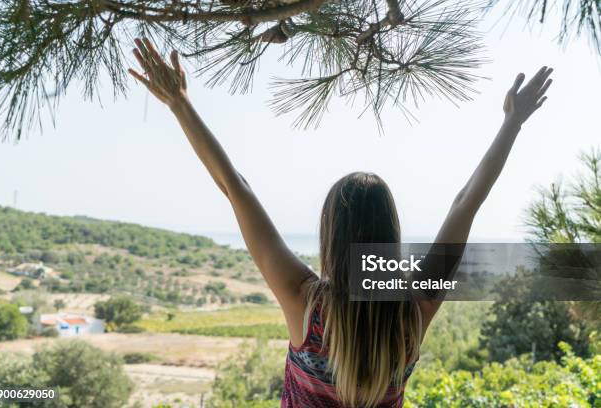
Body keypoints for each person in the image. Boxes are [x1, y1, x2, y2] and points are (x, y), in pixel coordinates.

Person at [128, 38, 553, 408]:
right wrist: (512, 123)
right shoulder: (412, 314)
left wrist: (180, 104)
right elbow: (466, 204)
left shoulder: (305, 303)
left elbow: (236, 188)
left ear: (330, 236)